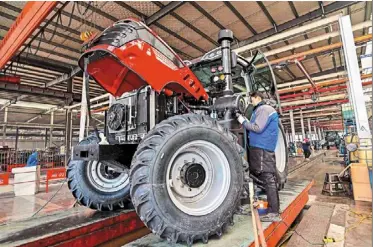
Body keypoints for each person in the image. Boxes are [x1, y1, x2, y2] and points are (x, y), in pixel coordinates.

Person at [236, 91, 281, 222]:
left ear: (258, 98)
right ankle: (273, 209)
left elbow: (257, 128)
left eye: (252, 99)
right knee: (262, 176)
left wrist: (242, 121)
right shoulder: (262, 110)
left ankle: (274, 212)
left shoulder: (264, 109)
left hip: (263, 148)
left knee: (268, 178)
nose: (251, 102)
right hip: (261, 147)